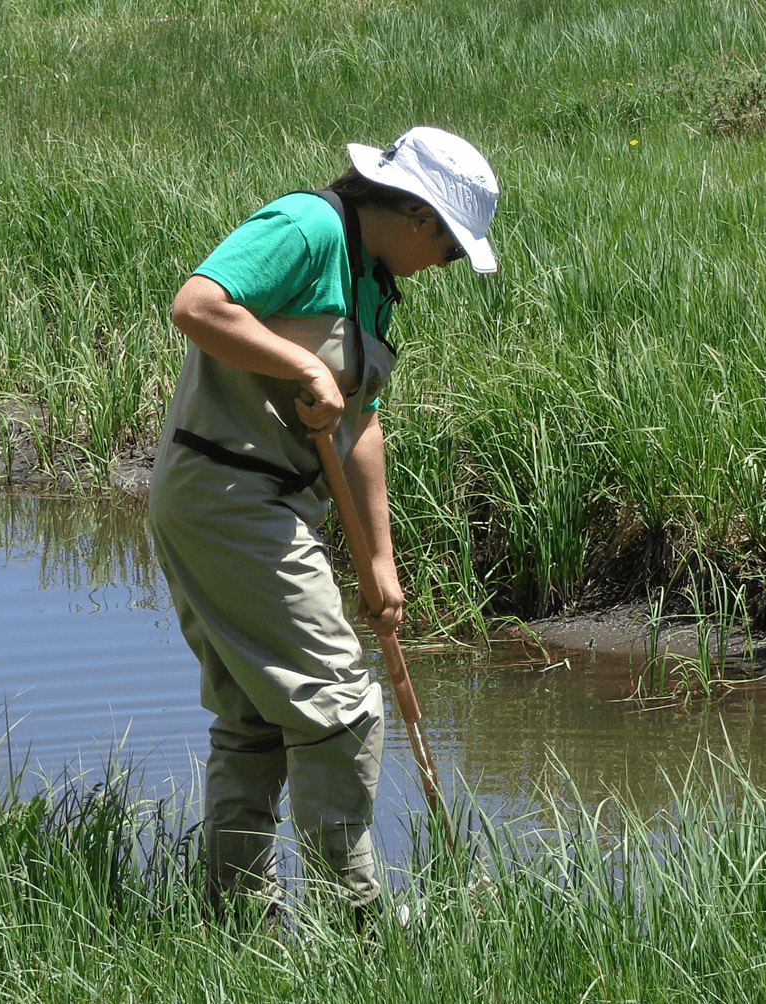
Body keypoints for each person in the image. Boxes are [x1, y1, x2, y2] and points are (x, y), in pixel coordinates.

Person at [149, 126, 500, 921]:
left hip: (280, 503)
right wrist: (303, 363)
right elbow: (196, 306)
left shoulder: (372, 282)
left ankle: (239, 921)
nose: (443, 267)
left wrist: (380, 561)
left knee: (257, 717)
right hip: (223, 496)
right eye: (450, 250)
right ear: (417, 214)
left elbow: (362, 423)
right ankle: (356, 922)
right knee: (340, 703)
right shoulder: (306, 229)